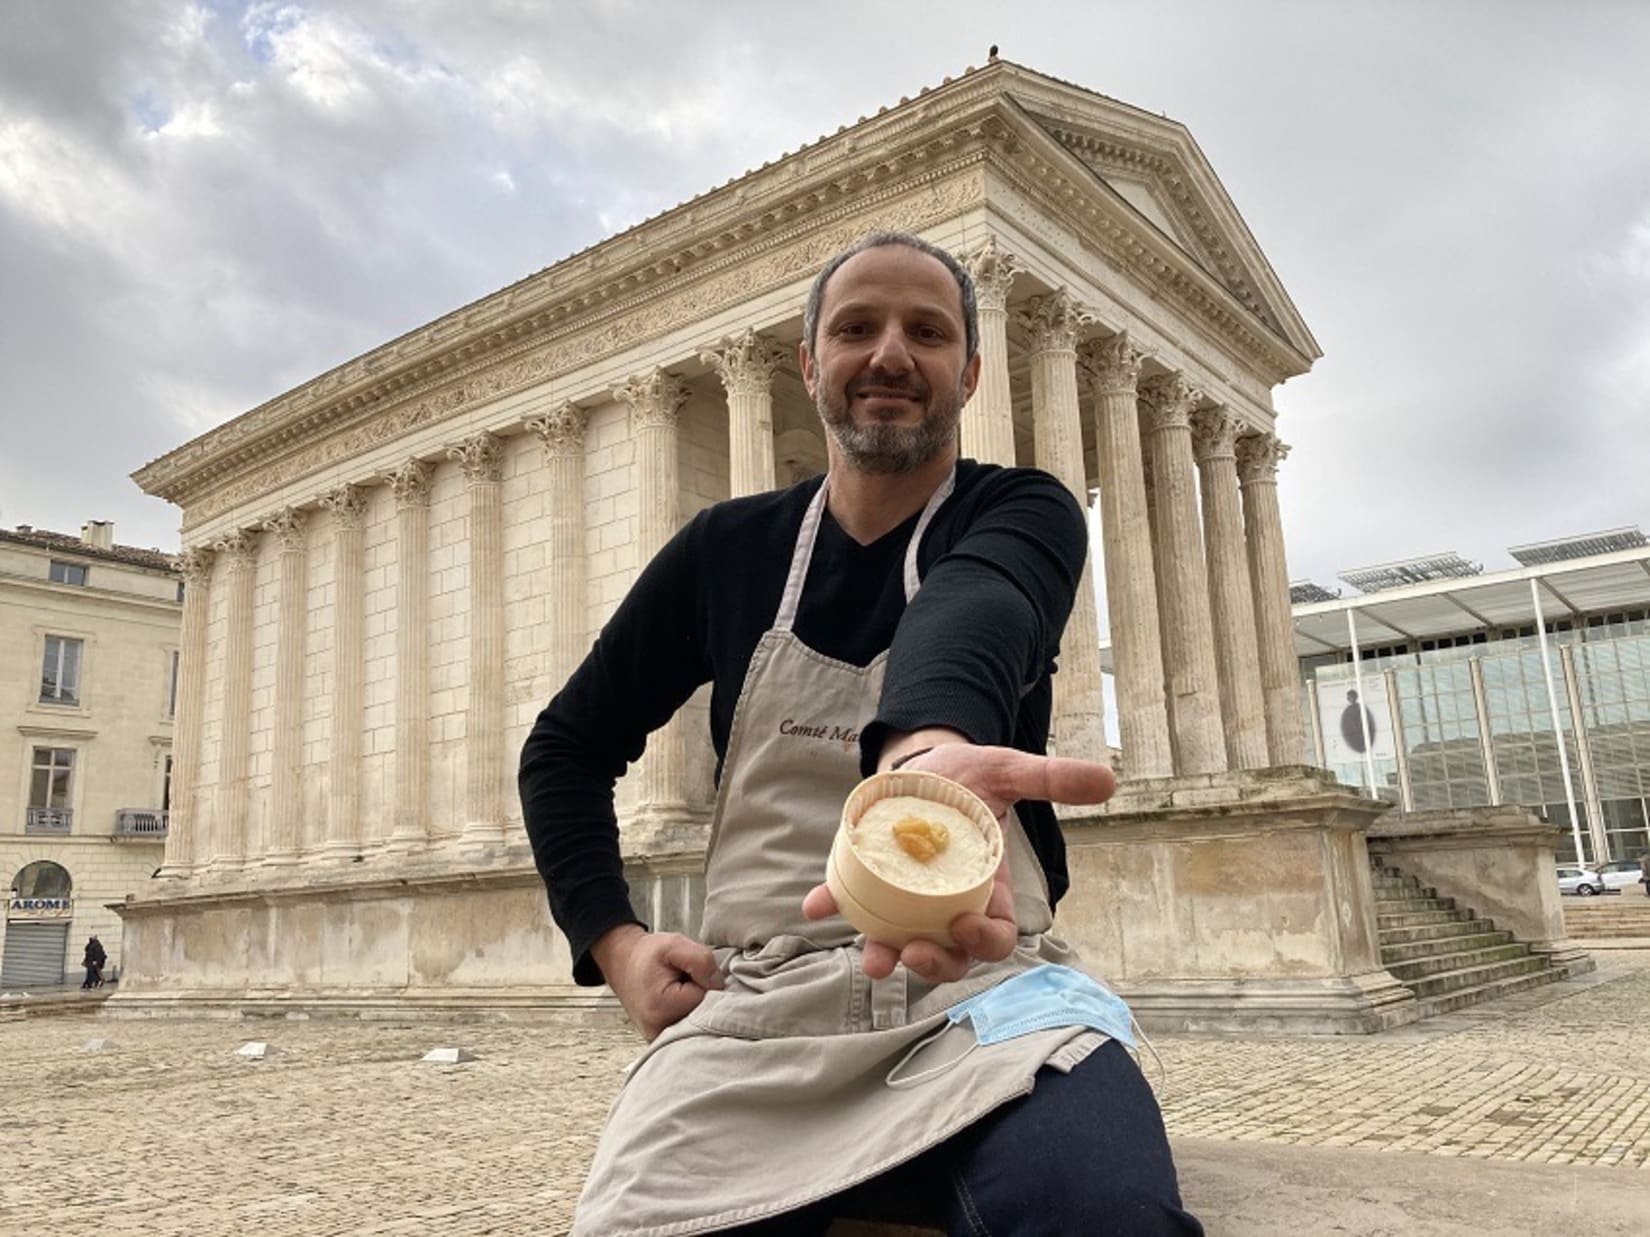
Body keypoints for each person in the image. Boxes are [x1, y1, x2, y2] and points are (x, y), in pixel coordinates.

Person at [520, 232, 1201, 1236]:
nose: (889, 354)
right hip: (760, 1007)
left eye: (927, 332)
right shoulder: (726, 551)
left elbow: (973, 611)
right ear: (808, 364)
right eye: (856, 328)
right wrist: (612, 940)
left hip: (991, 996)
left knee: (1104, 1218)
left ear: (969, 374)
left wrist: (920, 761)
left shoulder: (1019, 513)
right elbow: (566, 747)